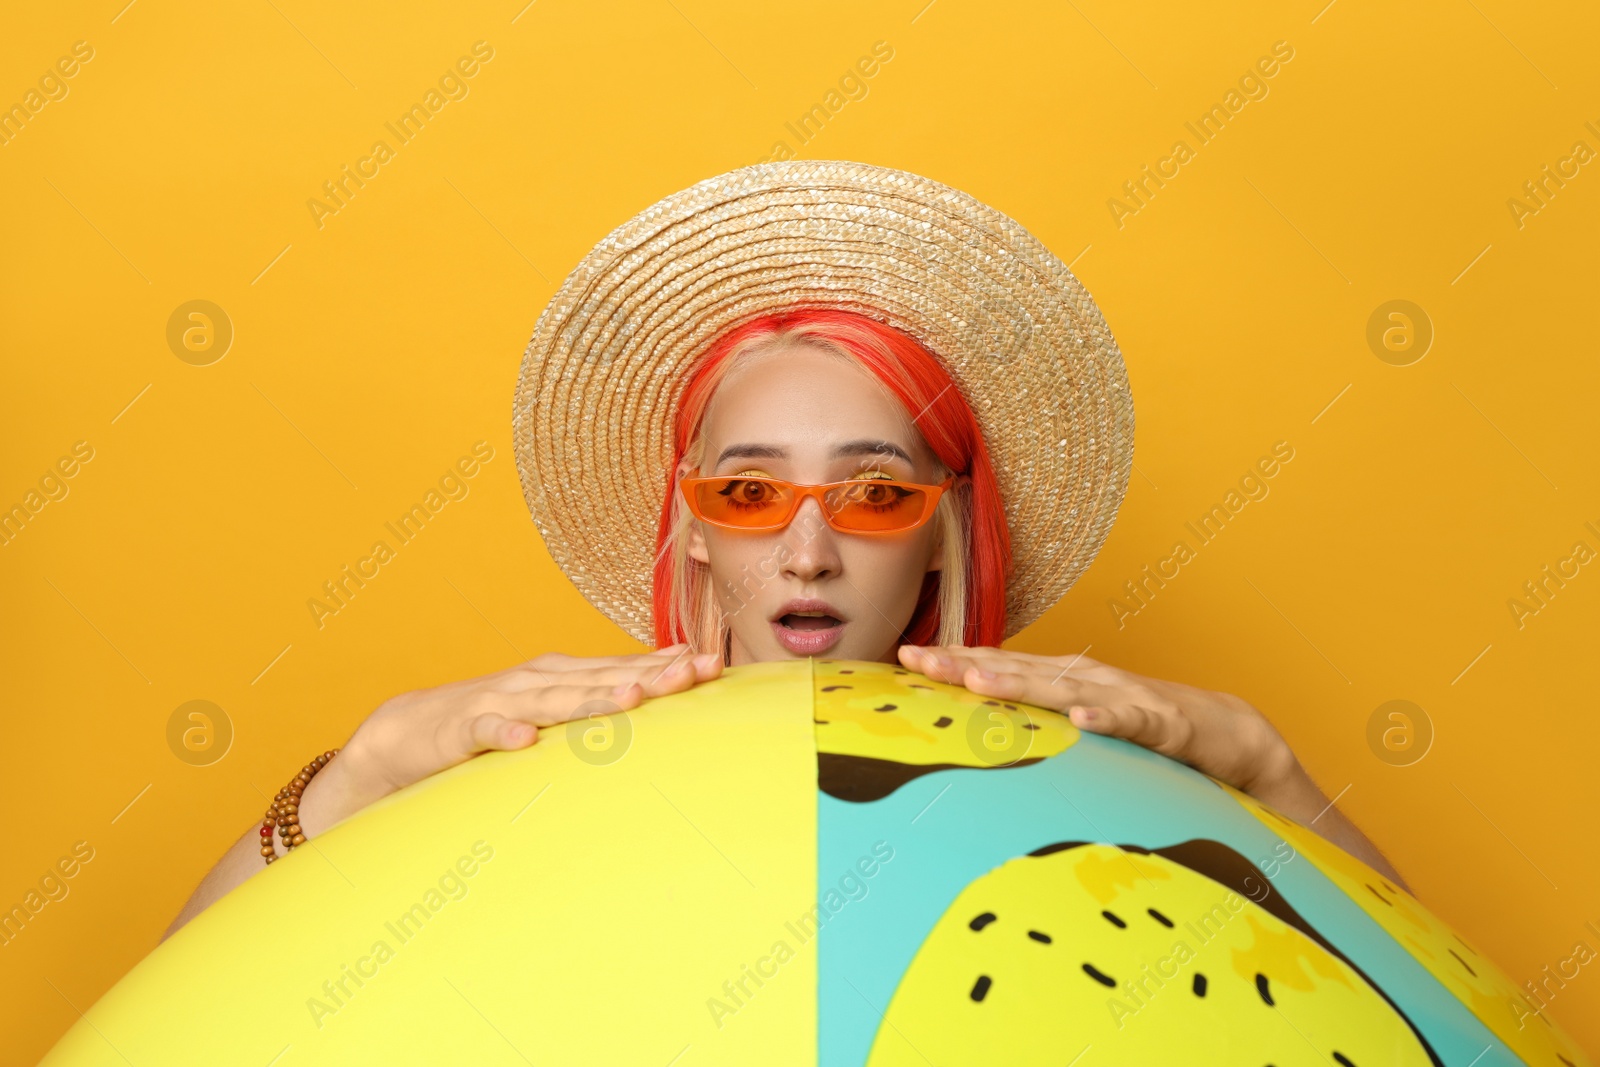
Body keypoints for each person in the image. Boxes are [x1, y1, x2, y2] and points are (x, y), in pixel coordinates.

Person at [166, 162, 1403, 938]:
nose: (807, 550)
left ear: (942, 530)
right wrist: (369, 766)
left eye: (872, 491)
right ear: (694, 530)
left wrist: (1263, 763)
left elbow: (1430, 1011)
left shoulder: (1101, 792)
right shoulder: (546, 769)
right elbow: (186, 1014)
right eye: (750, 490)